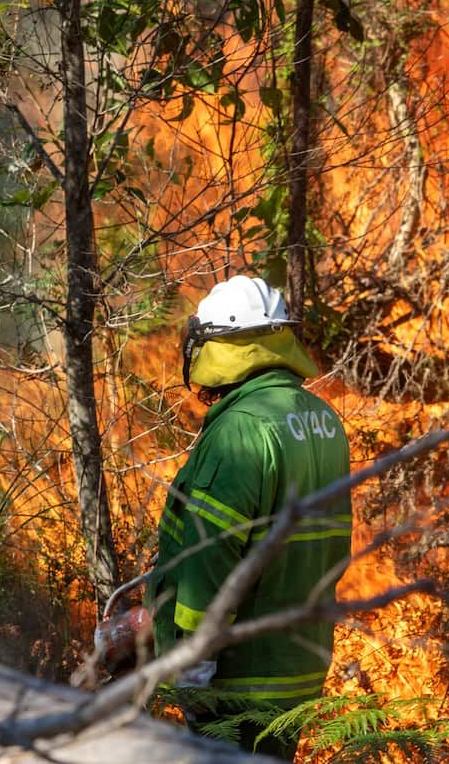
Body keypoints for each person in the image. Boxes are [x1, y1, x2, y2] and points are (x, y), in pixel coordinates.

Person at [145, 275, 352, 760]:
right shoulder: (322, 419)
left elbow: (212, 558)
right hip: (295, 667)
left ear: (222, 346)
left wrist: (194, 667)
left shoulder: (242, 429)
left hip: (237, 677)